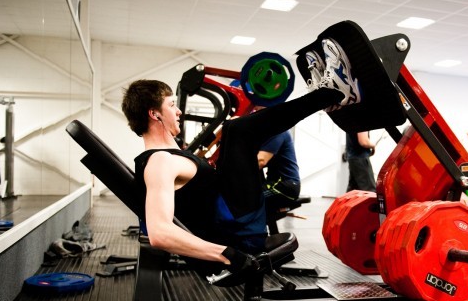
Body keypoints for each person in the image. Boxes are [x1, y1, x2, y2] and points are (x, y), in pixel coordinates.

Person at [121, 38, 360, 276]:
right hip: (235, 234)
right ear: (154, 114)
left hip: (232, 217)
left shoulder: (168, 155)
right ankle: (332, 93)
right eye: (172, 105)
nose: (178, 111)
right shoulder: (158, 162)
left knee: (235, 129)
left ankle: (329, 95)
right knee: (239, 131)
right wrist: (226, 254)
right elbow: (159, 233)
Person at [257, 126, 301, 214]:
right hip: (275, 183)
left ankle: (255, 227)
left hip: (284, 186)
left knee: (248, 198)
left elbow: (261, 161)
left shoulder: (278, 131)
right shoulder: (268, 134)